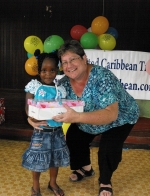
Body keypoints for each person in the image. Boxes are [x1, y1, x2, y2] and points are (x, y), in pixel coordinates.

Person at [51, 40, 140, 196]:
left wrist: (77, 116)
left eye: (73, 59)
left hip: (120, 117)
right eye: (64, 62)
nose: (69, 65)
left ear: (84, 58)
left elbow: (111, 114)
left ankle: (105, 181)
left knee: (108, 148)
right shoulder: (64, 83)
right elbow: (53, 106)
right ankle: (86, 168)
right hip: (88, 117)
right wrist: (36, 118)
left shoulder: (102, 77)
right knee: (73, 137)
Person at [22, 49, 69, 196]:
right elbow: (28, 107)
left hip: (57, 132)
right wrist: (32, 118)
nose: (47, 74)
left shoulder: (60, 89)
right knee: (38, 159)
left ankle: (52, 183)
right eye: (44, 70)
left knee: (55, 159)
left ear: (57, 70)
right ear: (38, 71)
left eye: (52, 70)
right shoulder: (34, 86)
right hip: (41, 131)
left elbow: (65, 107)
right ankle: (35, 186)